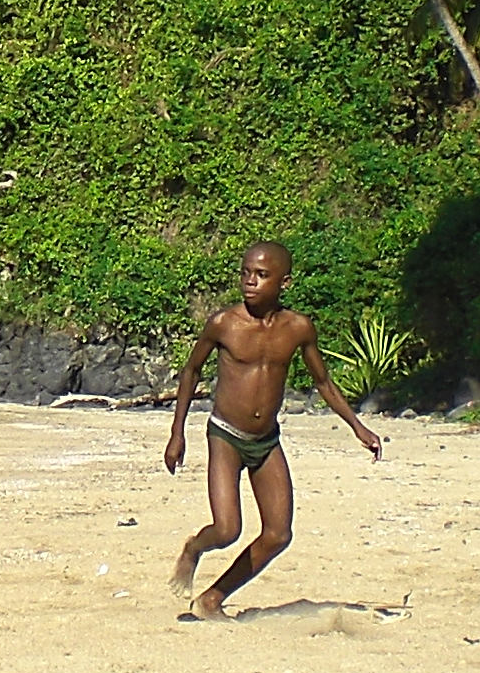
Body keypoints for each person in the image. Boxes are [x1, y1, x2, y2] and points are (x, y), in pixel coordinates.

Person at [164, 242, 383, 620]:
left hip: (266, 441)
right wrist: (176, 433)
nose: (250, 281)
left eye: (261, 275)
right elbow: (191, 371)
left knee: (279, 534)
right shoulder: (224, 323)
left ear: (285, 282)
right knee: (227, 529)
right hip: (225, 435)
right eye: (246, 273)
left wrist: (357, 427)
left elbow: (323, 382)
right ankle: (195, 548)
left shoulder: (298, 328)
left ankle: (212, 599)